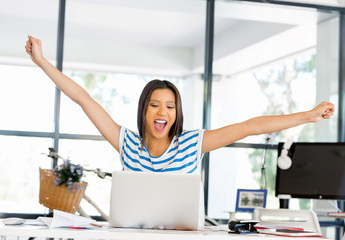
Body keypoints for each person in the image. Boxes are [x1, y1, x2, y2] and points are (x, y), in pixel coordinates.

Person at [25, 35, 334, 174]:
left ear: (177, 112)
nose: (163, 112)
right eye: (155, 105)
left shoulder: (192, 144)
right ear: (144, 111)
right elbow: (84, 98)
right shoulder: (127, 144)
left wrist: (308, 116)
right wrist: (41, 62)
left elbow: (249, 127)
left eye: (170, 106)